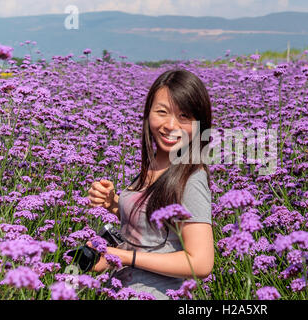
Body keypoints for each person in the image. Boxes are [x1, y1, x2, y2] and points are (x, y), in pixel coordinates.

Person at [86, 69, 214, 300]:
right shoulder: (156, 166)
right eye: (162, 112)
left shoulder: (191, 178)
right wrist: (114, 204)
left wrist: (123, 256)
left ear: (199, 124)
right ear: (147, 114)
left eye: (184, 116)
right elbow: (155, 227)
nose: (170, 125)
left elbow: (201, 262)